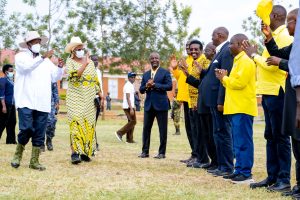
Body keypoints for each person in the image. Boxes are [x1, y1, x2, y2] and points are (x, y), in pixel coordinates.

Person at [248, 8, 299, 198]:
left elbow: (277, 64)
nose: (265, 19)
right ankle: (273, 176)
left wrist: (255, 57)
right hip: (268, 92)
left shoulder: (286, 36)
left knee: (281, 137)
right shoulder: (279, 36)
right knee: (270, 135)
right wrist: (268, 39)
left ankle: (284, 179)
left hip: (280, 92)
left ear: (274, 16)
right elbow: (275, 53)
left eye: (267, 15)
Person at [11, 31, 64, 171]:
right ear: (28, 44)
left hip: (42, 102)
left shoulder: (46, 62)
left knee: (39, 132)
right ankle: (17, 154)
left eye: (38, 42)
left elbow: (55, 77)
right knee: (26, 128)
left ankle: (34, 161)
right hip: (25, 100)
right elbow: (27, 68)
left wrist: (59, 67)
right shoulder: (20, 57)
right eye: (34, 42)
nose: (37, 44)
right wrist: (43, 58)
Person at [216, 34, 257, 184]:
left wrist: (224, 79)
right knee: (238, 142)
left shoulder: (246, 61)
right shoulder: (237, 61)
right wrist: (225, 78)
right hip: (235, 107)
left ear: (240, 44)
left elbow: (239, 83)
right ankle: (238, 170)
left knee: (243, 142)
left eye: (231, 43)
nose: (228, 46)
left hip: (243, 108)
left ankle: (245, 174)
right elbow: (233, 84)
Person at [65, 36, 103, 164]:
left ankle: (85, 152)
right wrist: (85, 63)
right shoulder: (70, 62)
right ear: (73, 50)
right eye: (78, 49)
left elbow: (94, 80)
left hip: (89, 98)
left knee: (87, 124)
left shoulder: (91, 63)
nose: (81, 50)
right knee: (76, 122)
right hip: (75, 98)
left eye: (82, 48)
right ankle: (74, 153)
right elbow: (74, 76)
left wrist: (100, 93)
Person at [182, 41, 217, 169]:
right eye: (191, 49)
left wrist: (198, 100)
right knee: (196, 132)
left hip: (200, 102)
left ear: (201, 50)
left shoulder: (204, 61)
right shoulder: (192, 62)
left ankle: (203, 159)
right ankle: (199, 157)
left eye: (196, 49)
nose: (193, 51)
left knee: (201, 133)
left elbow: (202, 83)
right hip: (192, 102)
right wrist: (186, 73)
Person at [139, 52, 172, 159]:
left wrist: (155, 85)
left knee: (162, 130)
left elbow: (169, 86)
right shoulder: (146, 74)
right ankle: (145, 152)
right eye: (152, 58)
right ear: (150, 60)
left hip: (161, 105)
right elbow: (141, 90)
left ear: (159, 60)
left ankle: (162, 153)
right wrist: (147, 86)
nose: (154, 60)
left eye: (156, 58)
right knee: (146, 129)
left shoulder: (165, 72)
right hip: (149, 105)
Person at [169, 40, 194, 163]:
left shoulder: (197, 60)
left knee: (195, 129)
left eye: (192, 47)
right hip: (184, 99)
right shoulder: (186, 60)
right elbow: (180, 77)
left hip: (193, 100)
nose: (190, 49)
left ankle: (199, 155)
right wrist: (174, 69)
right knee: (189, 129)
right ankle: (194, 154)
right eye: (188, 47)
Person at [115, 72, 137, 143]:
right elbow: (128, 98)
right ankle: (119, 133)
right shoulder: (128, 85)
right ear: (128, 78)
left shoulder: (131, 85)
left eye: (134, 77)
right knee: (133, 121)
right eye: (132, 77)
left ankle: (129, 139)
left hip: (130, 106)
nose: (133, 78)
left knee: (131, 122)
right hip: (128, 107)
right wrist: (131, 108)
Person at [0, 64, 16, 144]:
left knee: (12, 122)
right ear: (6, 72)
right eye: (11, 71)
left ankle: (11, 140)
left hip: (12, 104)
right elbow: (1, 94)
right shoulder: (3, 80)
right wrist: (3, 106)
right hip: (5, 104)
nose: (12, 72)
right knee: (2, 122)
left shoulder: (12, 81)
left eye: (12, 70)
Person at [40, 82, 59, 152]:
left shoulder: (51, 75)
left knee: (52, 122)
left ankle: (49, 139)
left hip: (50, 103)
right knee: (40, 123)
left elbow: (55, 91)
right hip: (39, 103)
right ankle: (41, 143)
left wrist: (57, 103)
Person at [91, 55, 104, 151]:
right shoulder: (87, 71)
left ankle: (94, 142)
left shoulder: (99, 72)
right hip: (90, 99)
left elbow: (100, 86)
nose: (96, 61)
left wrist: (102, 99)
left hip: (98, 99)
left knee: (94, 123)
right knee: (90, 122)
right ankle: (94, 143)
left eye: (97, 60)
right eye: (93, 60)